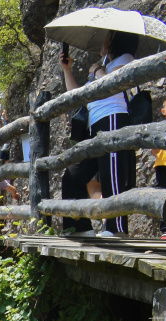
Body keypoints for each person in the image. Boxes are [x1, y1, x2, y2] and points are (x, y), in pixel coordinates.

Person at [59, 31, 140, 236]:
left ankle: (116, 228)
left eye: (108, 38)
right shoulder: (105, 66)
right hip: (94, 125)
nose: (103, 42)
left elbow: (116, 86)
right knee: (74, 174)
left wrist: (97, 71)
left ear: (115, 42)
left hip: (113, 118)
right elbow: (77, 96)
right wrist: (67, 70)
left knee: (111, 174)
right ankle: (79, 227)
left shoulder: (125, 59)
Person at [153, 96, 166, 238]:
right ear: (163, 111)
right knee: (164, 197)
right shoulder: (162, 126)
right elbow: (153, 148)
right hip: (163, 165)